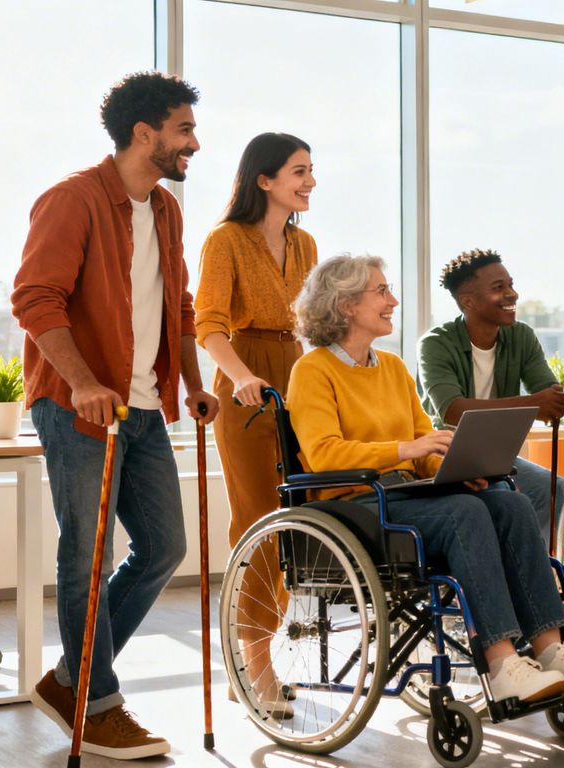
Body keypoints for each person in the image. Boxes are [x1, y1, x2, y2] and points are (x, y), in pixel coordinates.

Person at [286, 254, 564, 706]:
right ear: (345, 305)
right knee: (464, 515)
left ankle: (550, 649)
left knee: (510, 503)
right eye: (381, 291)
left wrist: (455, 472)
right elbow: (324, 455)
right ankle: (502, 662)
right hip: (355, 504)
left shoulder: (391, 368)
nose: (393, 300)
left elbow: (426, 445)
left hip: (404, 493)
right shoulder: (313, 371)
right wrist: (406, 451)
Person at [11, 71, 218, 760]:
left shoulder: (164, 210)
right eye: (183, 129)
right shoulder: (71, 199)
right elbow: (36, 300)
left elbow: (179, 309)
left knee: (162, 548)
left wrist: (190, 385)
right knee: (87, 555)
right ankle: (98, 705)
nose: (194, 141)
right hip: (78, 405)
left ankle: (73, 680)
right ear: (144, 133)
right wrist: (83, 384)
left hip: (142, 404)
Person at [194, 132, 319, 718]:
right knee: (258, 520)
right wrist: (241, 377)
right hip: (246, 374)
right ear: (263, 180)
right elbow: (209, 325)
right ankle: (256, 667)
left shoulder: (306, 243)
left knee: (295, 519)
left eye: (311, 171)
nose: (310, 181)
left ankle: (258, 660)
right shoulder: (226, 240)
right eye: (299, 171)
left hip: (299, 374)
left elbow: (315, 322)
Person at [418, 249, 564, 544]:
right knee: (503, 496)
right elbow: (452, 411)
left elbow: (550, 399)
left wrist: (544, 403)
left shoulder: (521, 336)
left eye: (511, 285)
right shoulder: (435, 344)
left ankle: (533, 570)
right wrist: (532, 404)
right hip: (445, 455)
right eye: (499, 288)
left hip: (493, 455)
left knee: (553, 488)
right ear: (468, 301)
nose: (512, 294)